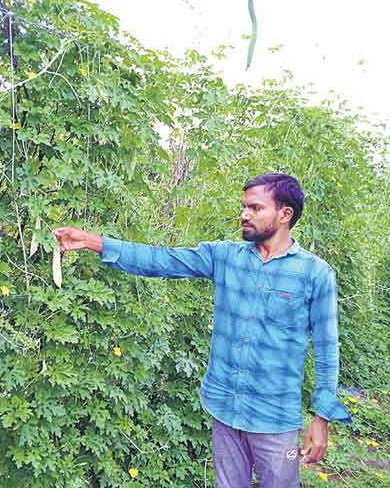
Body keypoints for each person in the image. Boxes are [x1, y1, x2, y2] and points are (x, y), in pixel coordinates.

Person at [54, 173, 351, 488]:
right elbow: (160, 260)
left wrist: (322, 418)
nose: (244, 214)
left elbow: (326, 348)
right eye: (244, 207)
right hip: (224, 407)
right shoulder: (225, 257)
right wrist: (92, 242)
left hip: (274, 416)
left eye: (255, 207)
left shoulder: (315, 274)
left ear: (285, 213)